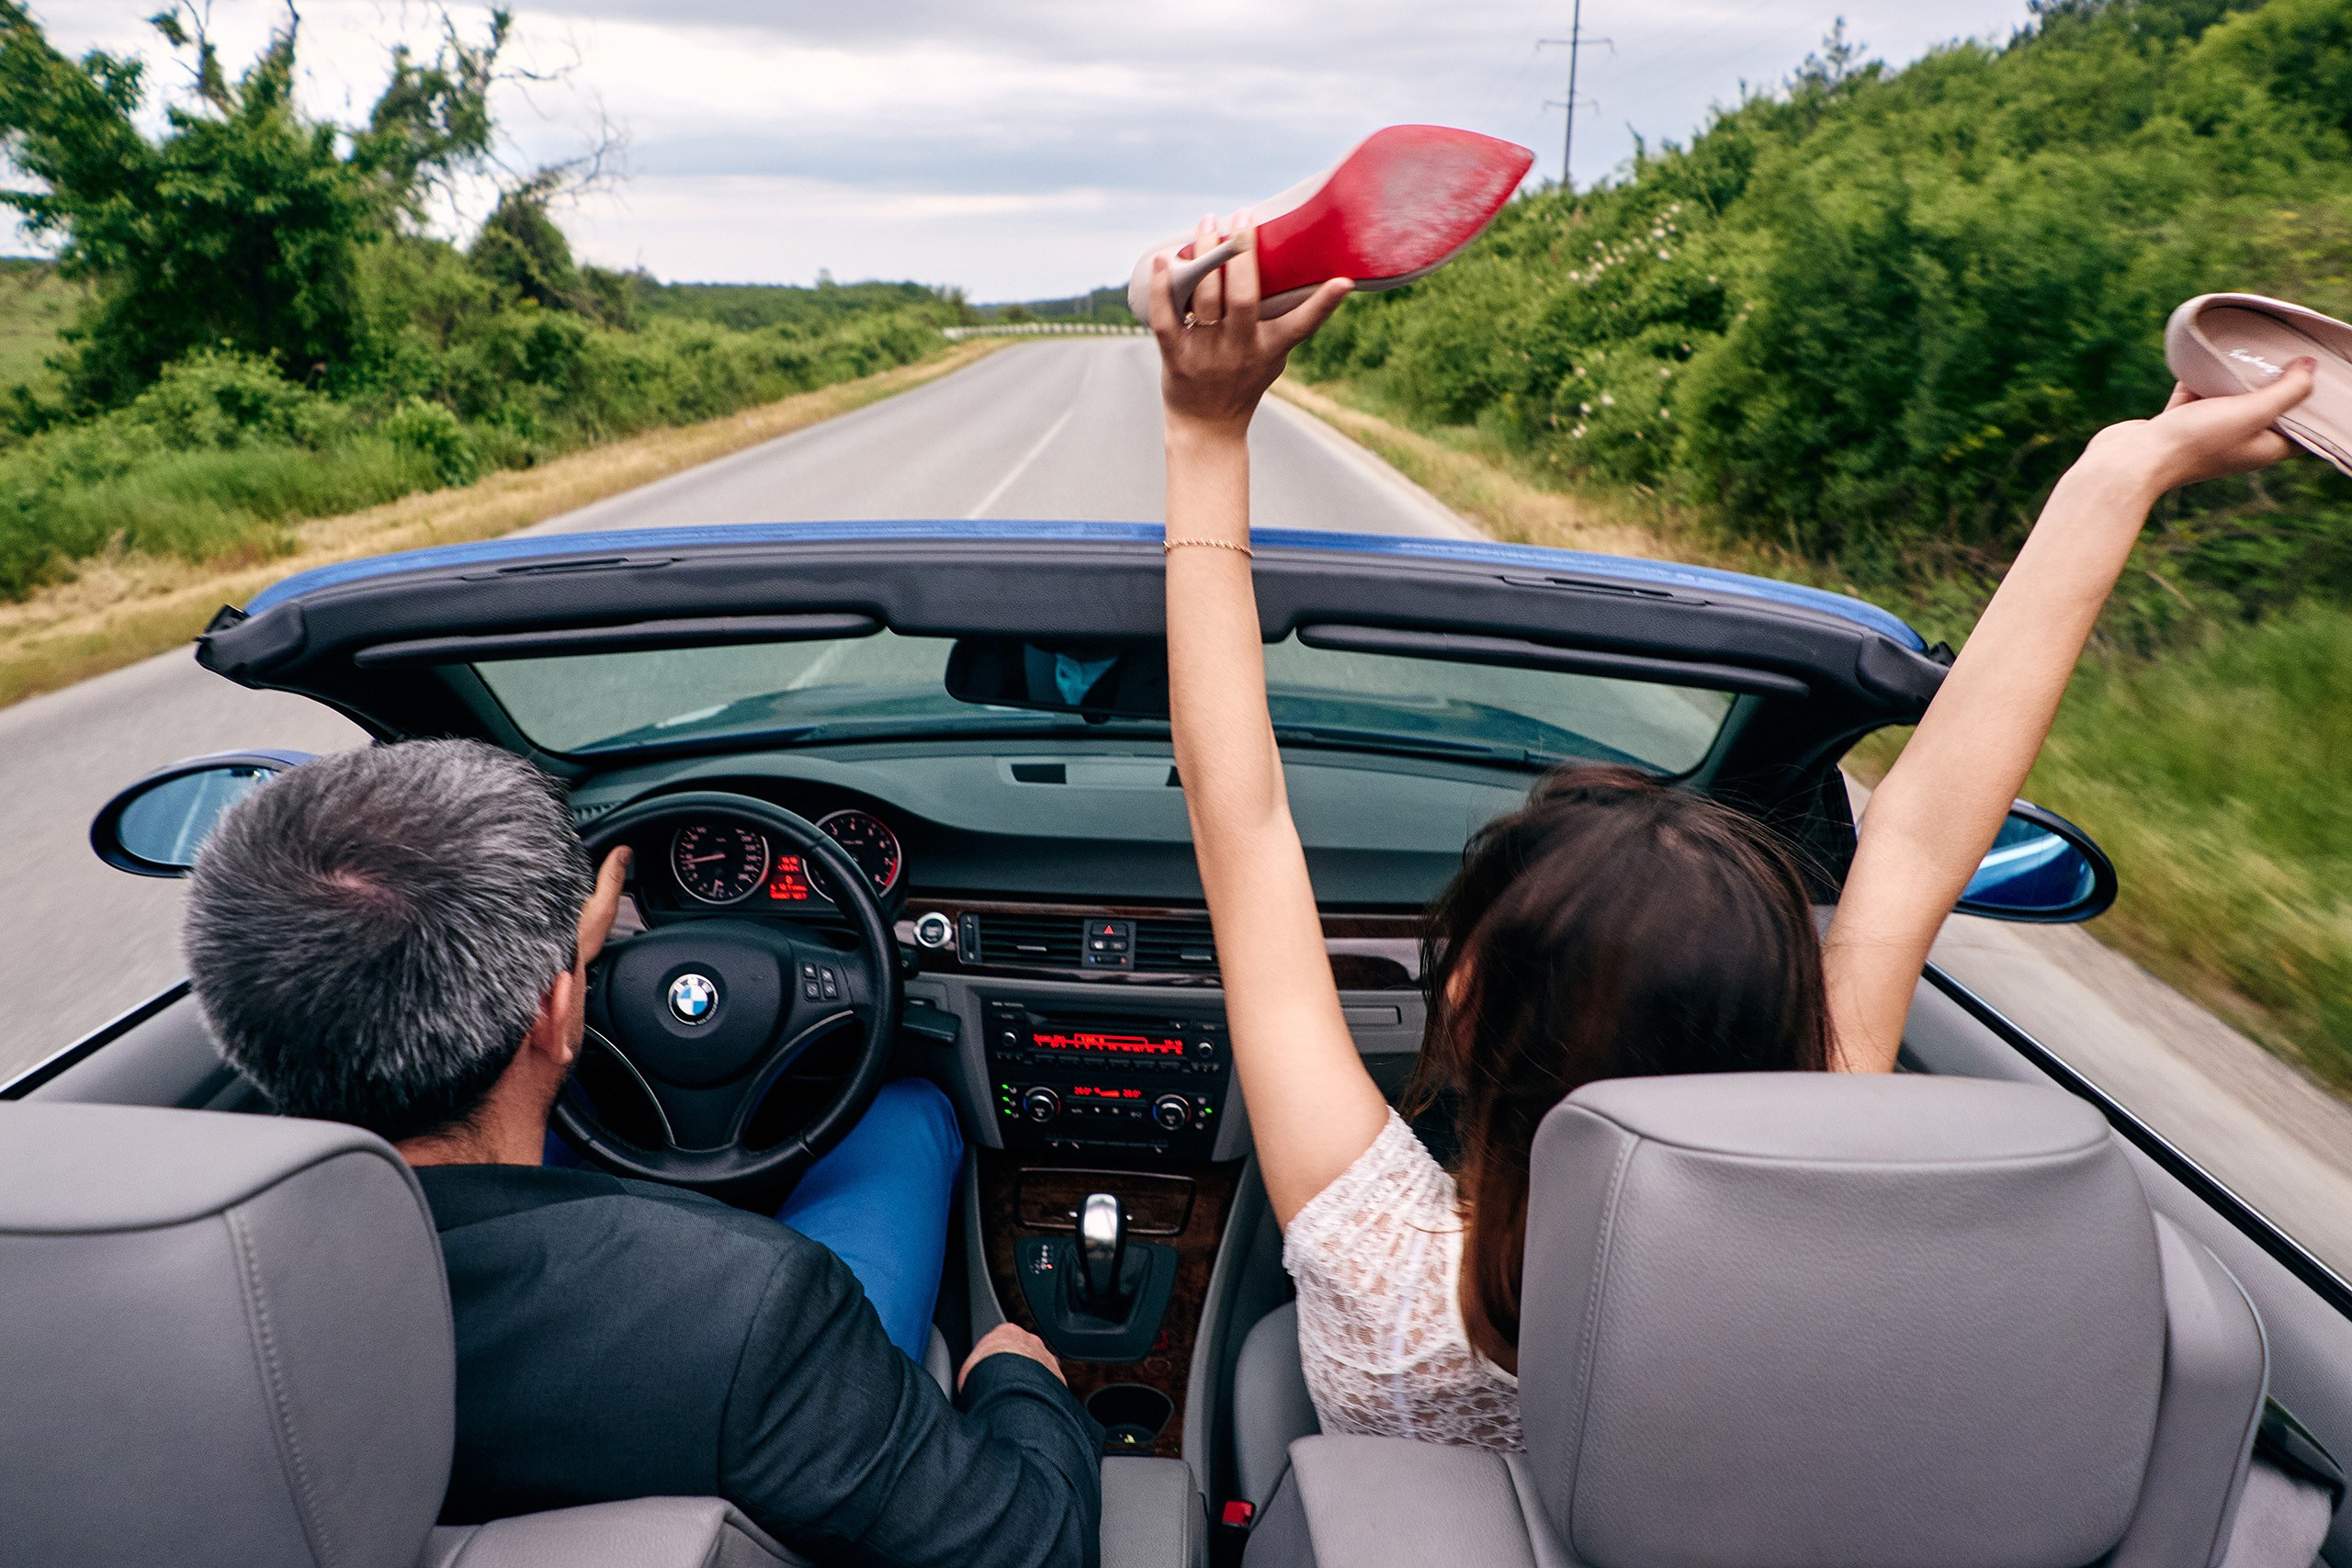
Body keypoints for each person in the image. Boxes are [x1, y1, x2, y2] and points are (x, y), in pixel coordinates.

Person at [1148, 215, 2321, 1450]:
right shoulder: (1820, 1195)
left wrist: (1203, 427)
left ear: (1469, 1000)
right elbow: (1920, 839)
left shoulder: (1381, 1273)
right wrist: (2114, 477)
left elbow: (1243, 820)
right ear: (1779, 1032)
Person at [180, 738, 1101, 1565]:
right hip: (754, 1416)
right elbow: (1036, 1545)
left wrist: (561, 965)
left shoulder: (181, 1291)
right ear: (557, 1012)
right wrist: (1016, 1377)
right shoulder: (751, 1305)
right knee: (908, 1113)